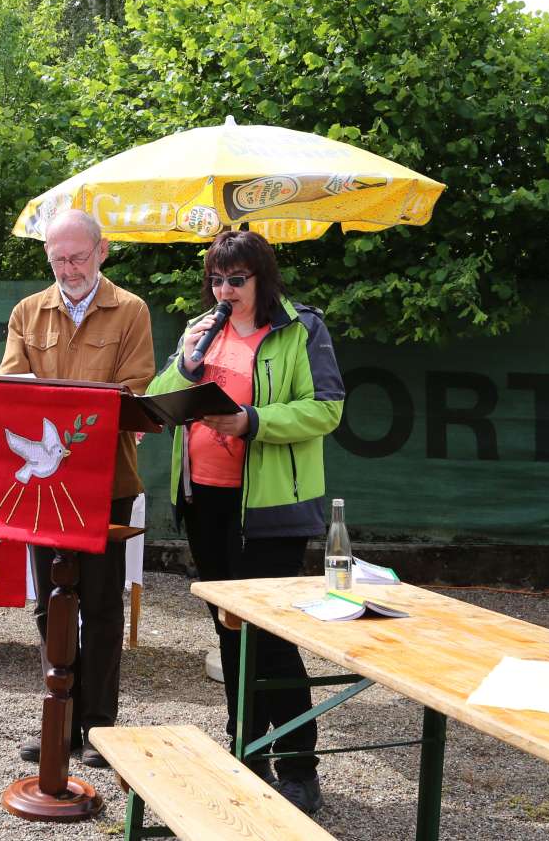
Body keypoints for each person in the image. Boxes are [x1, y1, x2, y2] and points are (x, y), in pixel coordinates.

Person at [144, 228, 345, 816]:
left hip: (272, 509)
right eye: (216, 279)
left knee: (272, 637)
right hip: (206, 500)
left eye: (237, 279)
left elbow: (326, 407)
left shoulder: (301, 329)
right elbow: (160, 400)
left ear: (262, 278)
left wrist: (252, 422)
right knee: (230, 630)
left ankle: (300, 767)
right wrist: (185, 364)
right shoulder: (201, 331)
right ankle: (247, 750)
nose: (224, 290)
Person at [0, 208, 155, 769]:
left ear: (103, 251)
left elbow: (135, 391)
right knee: (50, 604)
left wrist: (70, 416)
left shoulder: (131, 310)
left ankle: (99, 727)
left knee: (102, 605)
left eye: (78, 257)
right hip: (44, 485)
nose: (68, 269)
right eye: (58, 258)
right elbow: (13, 387)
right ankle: (58, 719)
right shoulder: (27, 311)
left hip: (107, 482)